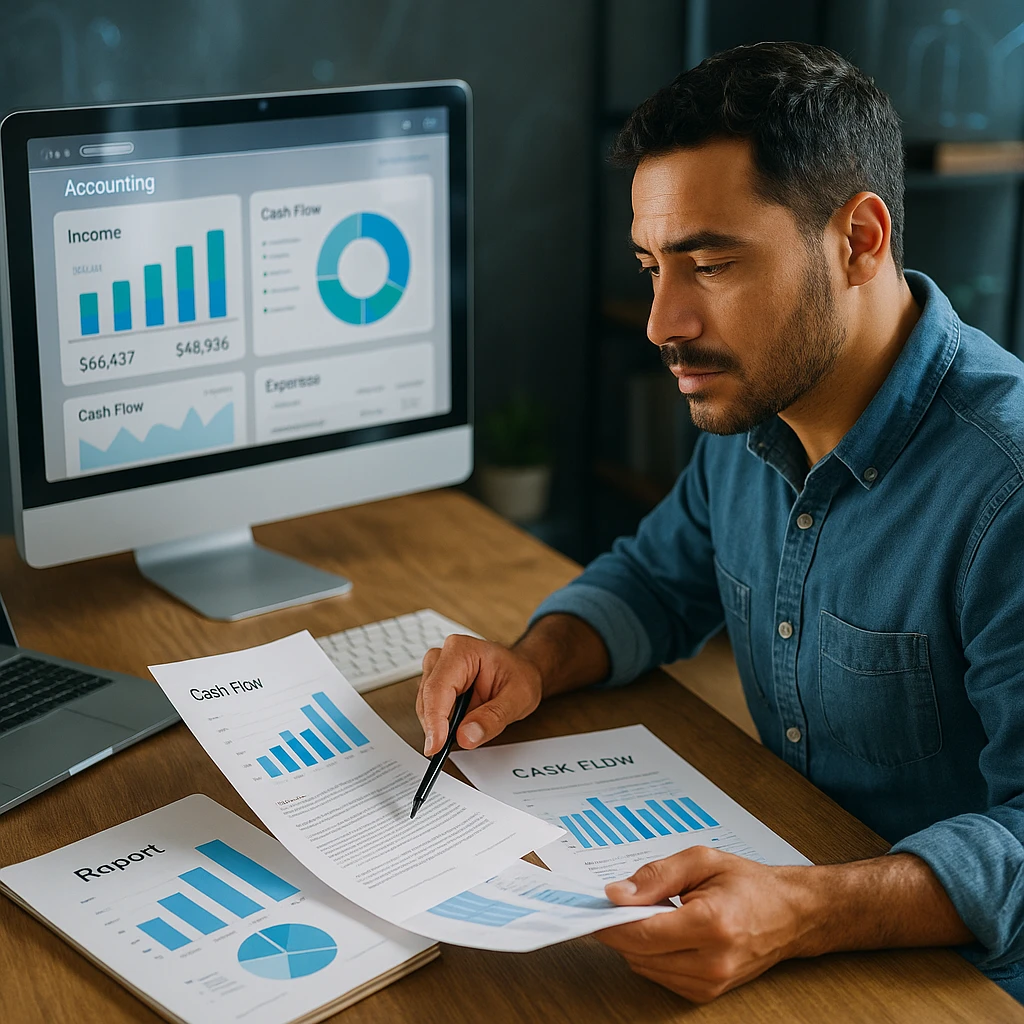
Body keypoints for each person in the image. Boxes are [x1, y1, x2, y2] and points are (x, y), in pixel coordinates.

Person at [416, 41, 1024, 1003]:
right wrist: (536, 659)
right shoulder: (758, 405)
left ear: (860, 241)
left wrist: (807, 909)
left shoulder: (1007, 489)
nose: (663, 321)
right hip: (790, 909)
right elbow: (656, 581)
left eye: (709, 263)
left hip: (956, 982)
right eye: (653, 265)